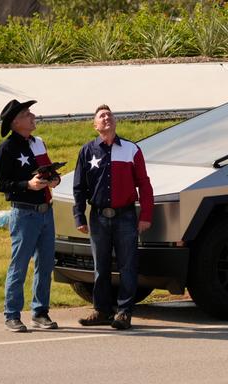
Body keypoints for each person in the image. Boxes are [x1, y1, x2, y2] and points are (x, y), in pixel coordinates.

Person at [73, 104, 153, 330]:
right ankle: (101, 310)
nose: (106, 118)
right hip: (98, 217)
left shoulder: (131, 149)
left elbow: (145, 185)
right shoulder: (87, 151)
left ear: (115, 122)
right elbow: (79, 188)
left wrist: (145, 214)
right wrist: (79, 216)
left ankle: (124, 312)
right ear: (95, 125)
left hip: (125, 216)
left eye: (110, 115)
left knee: (128, 265)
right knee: (101, 267)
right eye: (101, 116)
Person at [0, 99, 60, 332]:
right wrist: (27, 185)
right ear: (15, 122)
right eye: (27, 113)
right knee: (19, 265)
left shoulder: (38, 143)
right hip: (24, 213)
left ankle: (40, 312)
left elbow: (50, 170)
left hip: (45, 212)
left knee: (45, 264)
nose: (33, 116)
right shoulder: (7, 148)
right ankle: (12, 314)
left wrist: (54, 179)